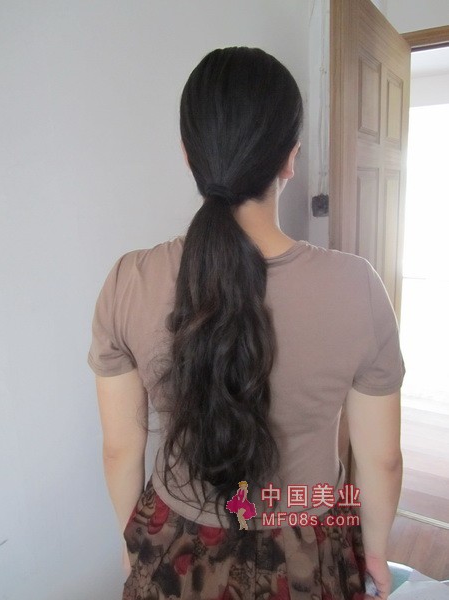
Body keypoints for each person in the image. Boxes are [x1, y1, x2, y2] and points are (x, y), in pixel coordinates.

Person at [87, 47, 404, 600]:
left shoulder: (128, 280)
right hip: (307, 540)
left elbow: (120, 449)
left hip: (175, 542)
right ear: (290, 159)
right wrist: (373, 552)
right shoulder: (358, 287)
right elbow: (383, 459)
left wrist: (132, 540)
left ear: (189, 154)